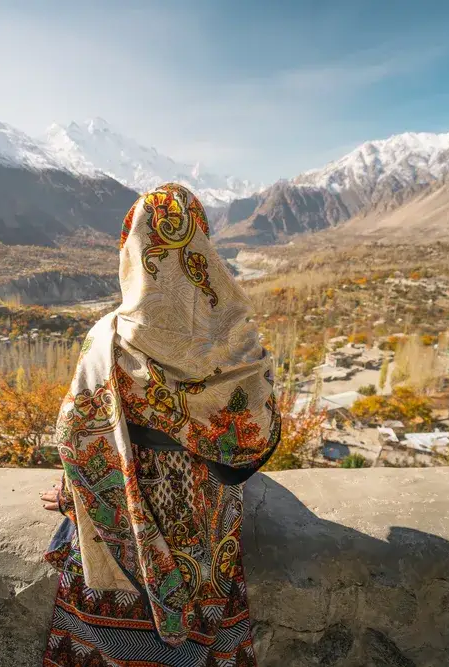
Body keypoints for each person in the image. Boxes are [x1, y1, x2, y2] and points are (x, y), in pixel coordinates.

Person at [39, 183, 281, 667]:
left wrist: (73, 494)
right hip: (208, 525)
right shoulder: (238, 340)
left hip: (127, 520)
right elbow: (258, 432)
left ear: (133, 249)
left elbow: (76, 437)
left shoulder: (108, 339)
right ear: (203, 245)